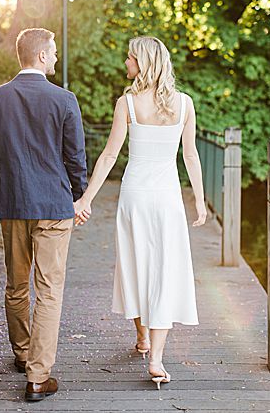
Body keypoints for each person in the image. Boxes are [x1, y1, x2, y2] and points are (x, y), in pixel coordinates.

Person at [72, 36, 205, 389]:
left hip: (135, 194)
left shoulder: (127, 103)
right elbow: (190, 156)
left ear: (142, 63)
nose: (125, 63)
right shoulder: (185, 104)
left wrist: (86, 199)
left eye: (129, 58)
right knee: (164, 270)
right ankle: (156, 357)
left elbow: (109, 156)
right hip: (167, 196)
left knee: (135, 263)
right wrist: (201, 200)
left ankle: (144, 338)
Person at [0, 27, 89, 402]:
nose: (55, 57)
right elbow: (75, 158)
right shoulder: (65, 100)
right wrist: (80, 197)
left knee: (16, 286)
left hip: (13, 206)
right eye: (53, 51)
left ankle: (23, 353)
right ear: (41, 56)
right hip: (55, 207)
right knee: (50, 291)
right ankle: (38, 376)